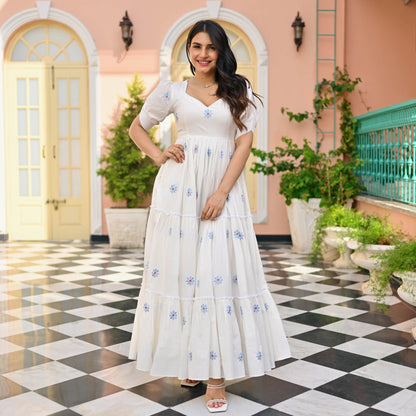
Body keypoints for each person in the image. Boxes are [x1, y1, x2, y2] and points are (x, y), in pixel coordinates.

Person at [128, 19, 291, 413]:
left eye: (210, 47)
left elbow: (244, 143)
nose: (202, 54)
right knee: (183, 271)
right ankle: (191, 361)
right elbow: (138, 127)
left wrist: (221, 191)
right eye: (196, 46)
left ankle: (216, 376)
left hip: (222, 190)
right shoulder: (172, 91)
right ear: (189, 50)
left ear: (221, 51)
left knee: (218, 274)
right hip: (178, 191)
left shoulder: (240, 91)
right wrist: (157, 153)